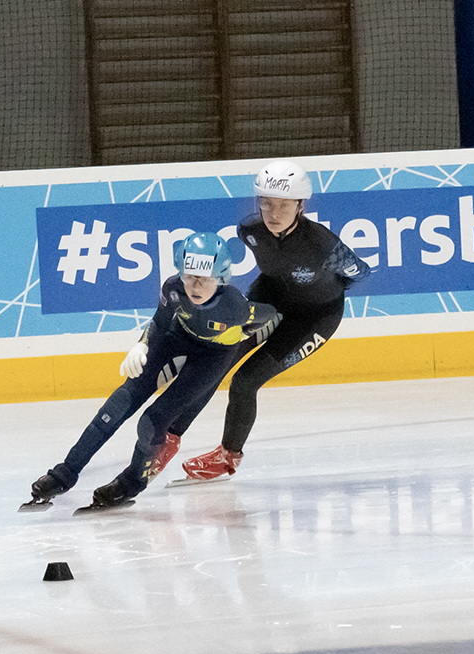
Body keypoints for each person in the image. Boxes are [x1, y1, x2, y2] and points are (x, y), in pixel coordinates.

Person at [26, 230, 278, 512]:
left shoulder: (234, 306)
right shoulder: (173, 288)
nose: (195, 286)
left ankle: (133, 481)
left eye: (204, 278)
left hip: (214, 356)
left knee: (153, 421)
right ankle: (64, 473)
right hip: (177, 336)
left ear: (221, 278)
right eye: (189, 276)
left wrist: (245, 333)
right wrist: (141, 345)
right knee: (118, 403)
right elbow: (159, 321)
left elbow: (268, 313)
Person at [170, 159, 368, 483]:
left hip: (315, 317)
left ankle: (228, 456)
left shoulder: (323, 245)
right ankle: (170, 435)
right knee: (218, 358)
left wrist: (330, 287)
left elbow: (360, 272)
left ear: (300, 205)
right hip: (270, 299)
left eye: (284, 205)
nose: (274, 213)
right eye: (267, 203)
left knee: (245, 381)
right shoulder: (250, 231)